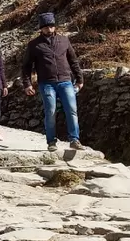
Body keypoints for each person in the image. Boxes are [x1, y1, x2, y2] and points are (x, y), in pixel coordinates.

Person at [20, 12, 84, 152]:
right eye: (45, 27)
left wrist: (79, 79)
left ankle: (74, 140)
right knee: (50, 111)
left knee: (72, 110)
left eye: (51, 26)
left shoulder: (64, 41)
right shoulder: (34, 45)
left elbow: (73, 61)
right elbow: (26, 67)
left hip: (66, 81)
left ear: (55, 26)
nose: (49, 29)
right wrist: (27, 84)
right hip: (46, 83)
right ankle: (51, 142)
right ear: (41, 28)